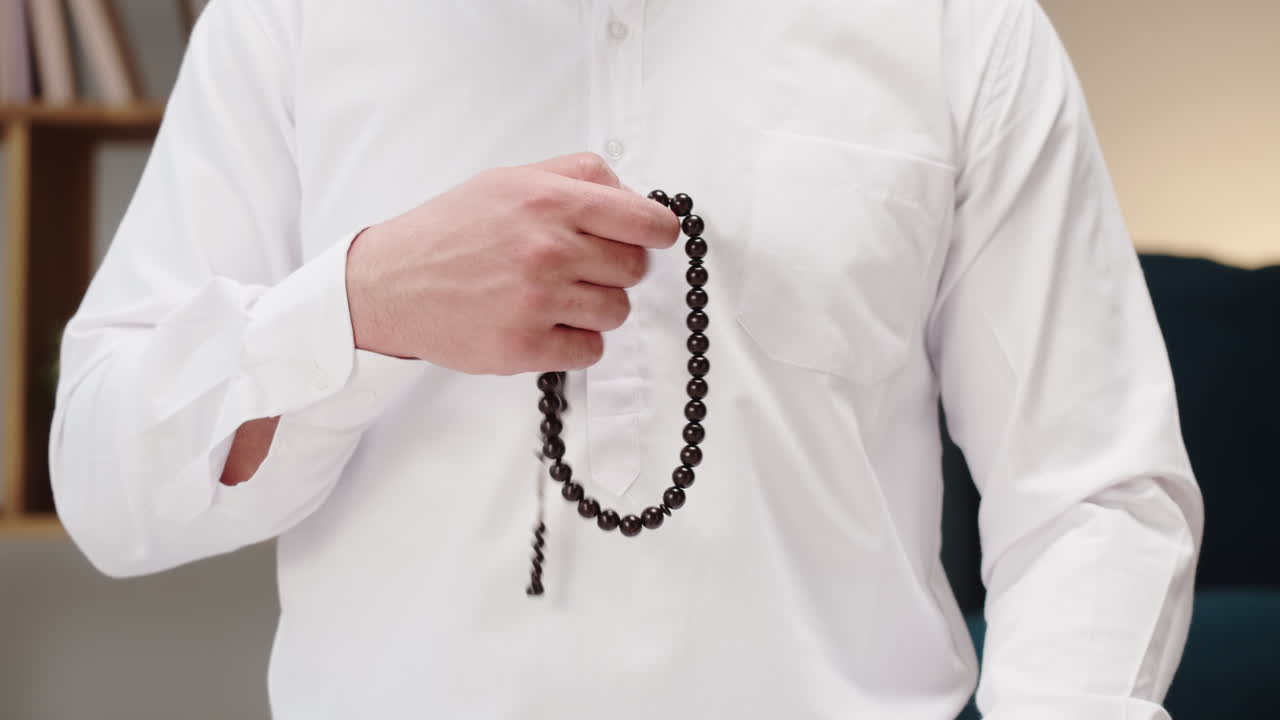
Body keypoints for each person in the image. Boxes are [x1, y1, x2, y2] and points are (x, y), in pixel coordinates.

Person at [50, 1, 1204, 718]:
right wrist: (362, 303)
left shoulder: (958, 25)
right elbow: (109, 481)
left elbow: (1090, 488)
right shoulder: (289, 21)